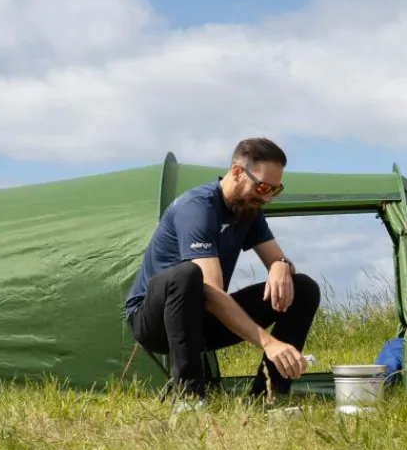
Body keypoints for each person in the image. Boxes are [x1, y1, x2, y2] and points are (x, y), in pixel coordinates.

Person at [125, 137, 321, 402]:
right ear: (237, 172)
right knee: (188, 275)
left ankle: (269, 397)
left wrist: (279, 266)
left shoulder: (249, 208)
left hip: (203, 319)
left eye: (275, 190)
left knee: (303, 288)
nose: (267, 198)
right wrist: (268, 342)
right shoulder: (197, 208)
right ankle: (190, 399)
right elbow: (212, 293)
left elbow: (282, 262)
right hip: (155, 321)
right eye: (262, 186)